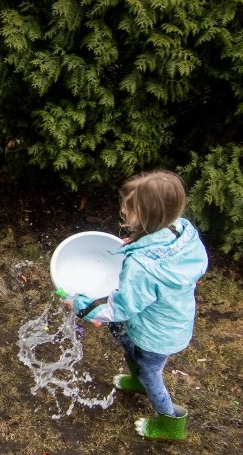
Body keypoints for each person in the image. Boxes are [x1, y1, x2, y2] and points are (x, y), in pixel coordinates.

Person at [66, 170, 208, 440]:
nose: (122, 209)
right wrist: (138, 242)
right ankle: (137, 380)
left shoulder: (142, 267)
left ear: (147, 216)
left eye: (128, 207)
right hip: (172, 320)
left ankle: (169, 423)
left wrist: (79, 304)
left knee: (150, 370)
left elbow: (119, 308)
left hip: (157, 335)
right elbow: (162, 248)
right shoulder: (183, 230)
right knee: (123, 337)